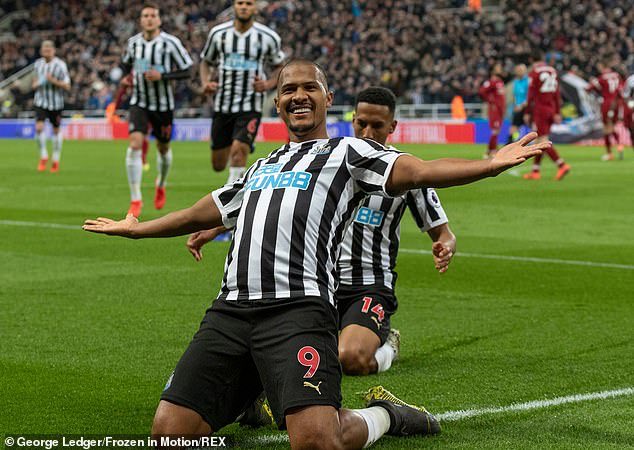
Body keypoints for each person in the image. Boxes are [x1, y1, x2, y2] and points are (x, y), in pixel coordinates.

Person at [83, 59, 548, 449]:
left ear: (328, 100)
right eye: (288, 89)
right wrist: (138, 230)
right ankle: (260, 387)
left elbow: (419, 170)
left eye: (310, 87)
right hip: (229, 313)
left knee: (316, 441)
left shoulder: (351, 152)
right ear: (278, 102)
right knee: (169, 433)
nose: (298, 95)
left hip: (297, 312)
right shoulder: (263, 165)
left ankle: (385, 415)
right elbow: (205, 209)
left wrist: (488, 165)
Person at [187, 87, 456, 377]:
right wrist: (215, 227)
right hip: (317, 284)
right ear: (353, 119)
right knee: (262, 357)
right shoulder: (328, 161)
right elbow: (265, 199)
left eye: (377, 126)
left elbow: (443, 233)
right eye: (361, 123)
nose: (367, 132)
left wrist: (445, 245)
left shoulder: (404, 172)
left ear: (392, 127)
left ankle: (389, 347)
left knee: (350, 358)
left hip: (368, 286)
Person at [200, 0, 285, 185]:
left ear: (255, 8)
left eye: (248, 3)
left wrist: (268, 83)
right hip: (223, 105)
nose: (244, 6)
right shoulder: (218, 34)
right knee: (218, 164)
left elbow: (280, 66)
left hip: (251, 105)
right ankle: (240, 141)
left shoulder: (268, 37)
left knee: (238, 153)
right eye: (240, 3)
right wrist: (206, 82)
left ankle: (231, 201)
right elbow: (206, 61)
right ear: (234, 6)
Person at [120, 3, 193, 217]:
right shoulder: (133, 43)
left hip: (163, 106)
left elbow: (187, 70)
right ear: (141, 20)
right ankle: (135, 198)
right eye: (145, 16)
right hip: (139, 102)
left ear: (159, 20)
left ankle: (160, 184)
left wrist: (164, 76)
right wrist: (127, 76)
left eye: (153, 15)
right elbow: (126, 64)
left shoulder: (171, 43)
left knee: (163, 148)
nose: (149, 19)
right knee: (134, 144)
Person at [523, 50, 571, 181]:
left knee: (542, 140)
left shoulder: (534, 73)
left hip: (540, 109)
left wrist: (527, 112)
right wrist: (557, 112)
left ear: (532, 60)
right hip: (551, 108)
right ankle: (535, 171)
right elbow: (556, 93)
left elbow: (531, 94)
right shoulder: (552, 71)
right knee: (540, 141)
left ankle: (561, 165)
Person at [32, 40, 71, 173]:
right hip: (41, 101)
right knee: (39, 127)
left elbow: (67, 85)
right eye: (44, 48)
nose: (46, 51)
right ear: (41, 51)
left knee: (56, 131)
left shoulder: (60, 65)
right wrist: (36, 84)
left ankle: (55, 159)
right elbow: (34, 81)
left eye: (49, 48)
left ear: (54, 50)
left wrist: (53, 81)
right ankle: (43, 156)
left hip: (56, 104)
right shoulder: (38, 64)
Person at [586, 62, 623, 160]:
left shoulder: (602, 78)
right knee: (611, 126)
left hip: (607, 104)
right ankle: (619, 145)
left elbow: (588, 89)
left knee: (606, 128)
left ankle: (610, 153)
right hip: (617, 104)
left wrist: (595, 87)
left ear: (603, 66)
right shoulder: (617, 76)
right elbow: (621, 91)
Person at [478, 63, 505, 158]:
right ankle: (492, 151)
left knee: (497, 131)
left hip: (500, 110)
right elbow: (481, 91)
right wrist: (490, 101)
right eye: (498, 67)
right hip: (495, 110)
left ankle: (489, 151)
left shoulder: (500, 81)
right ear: (493, 70)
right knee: (495, 131)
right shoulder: (491, 81)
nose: (500, 69)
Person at [507, 64, 529, 144]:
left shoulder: (528, 81)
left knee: (533, 127)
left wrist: (521, 105)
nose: (519, 72)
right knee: (514, 128)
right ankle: (512, 143)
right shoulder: (516, 82)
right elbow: (515, 96)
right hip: (517, 108)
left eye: (521, 70)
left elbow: (529, 96)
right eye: (518, 70)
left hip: (527, 108)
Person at [621, 73, 634, 153]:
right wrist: (629, 102)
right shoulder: (631, 79)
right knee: (630, 128)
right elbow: (625, 94)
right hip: (632, 106)